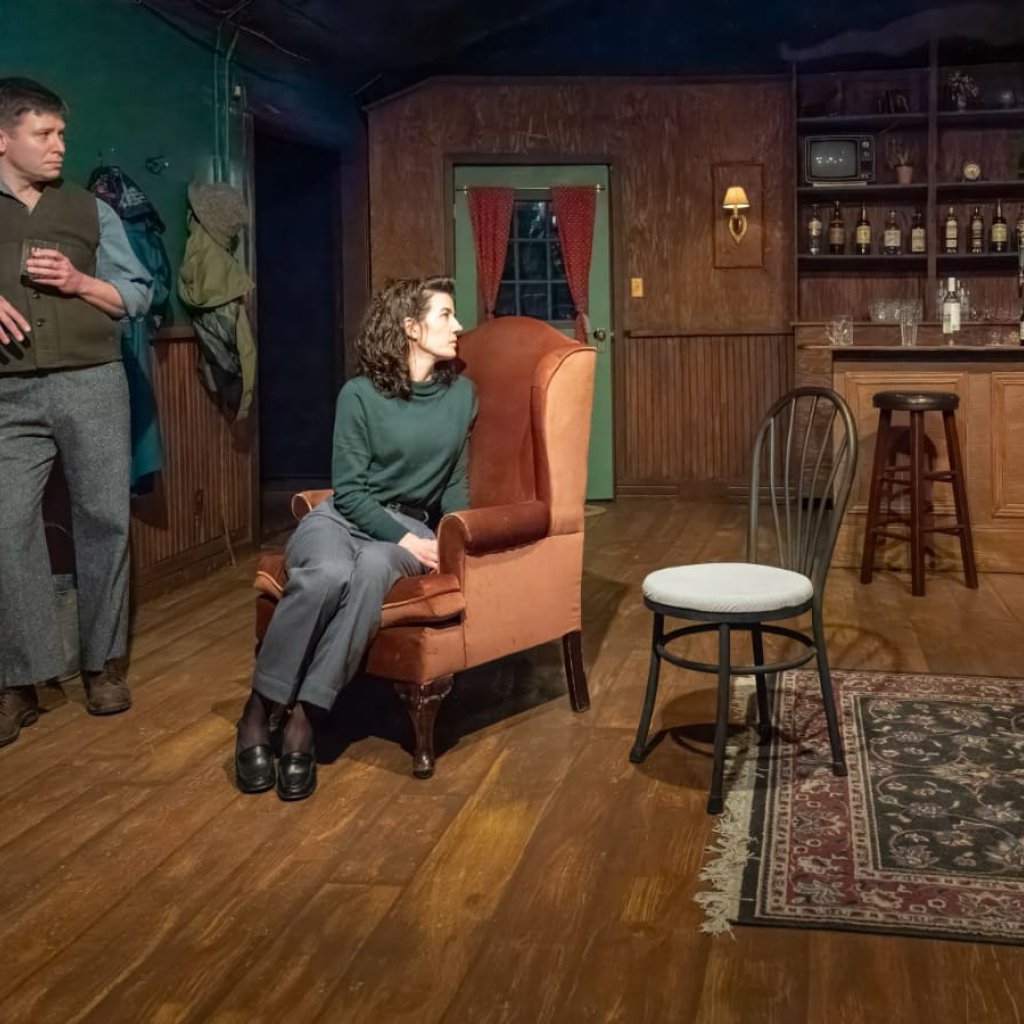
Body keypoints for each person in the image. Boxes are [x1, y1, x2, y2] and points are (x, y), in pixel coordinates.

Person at [235, 275, 476, 801]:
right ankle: (258, 708)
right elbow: (348, 490)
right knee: (327, 573)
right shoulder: (360, 395)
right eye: (445, 315)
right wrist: (403, 540)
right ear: (410, 328)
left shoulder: (461, 395)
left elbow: (456, 484)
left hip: (409, 529)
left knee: (369, 571)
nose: (459, 325)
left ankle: (305, 717)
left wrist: (450, 543)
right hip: (342, 517)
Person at [0, 78, 153, 748]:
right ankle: (21, 679)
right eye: (44, 133)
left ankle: (102, 665)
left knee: (103, 520)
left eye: (61, 132)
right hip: (7, 393)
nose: (60, 145)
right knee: (6, 527)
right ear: (3, 139)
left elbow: (138, 296)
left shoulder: (93, 212)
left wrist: (81, 281)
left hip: (92, 381)